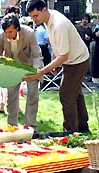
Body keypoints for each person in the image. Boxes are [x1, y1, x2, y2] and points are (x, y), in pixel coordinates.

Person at [25, 0, 90, 133]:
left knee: (66, 94)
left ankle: (70, 131)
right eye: (31, 17)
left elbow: (64, 56)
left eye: (35, 16)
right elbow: (57, 45)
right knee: (75, 93)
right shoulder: (48, 19)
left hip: (78, 61)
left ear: (44, 10)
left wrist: (42, 71)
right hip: (71, 60)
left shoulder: (59, 24)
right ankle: (83, 126)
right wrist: (54, 59)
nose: (33, 19)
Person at [0, 13, 43, 132]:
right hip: (12, 69)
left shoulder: (29, 33)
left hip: (30, 67)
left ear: (17, 28)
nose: (8, 35)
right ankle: (12, 127)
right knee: (11, 98)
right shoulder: (0, 37)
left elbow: (37, 54)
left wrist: (37, 70)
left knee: (32, 96)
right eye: (6, 32)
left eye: (10, 32)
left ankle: (31, 127)